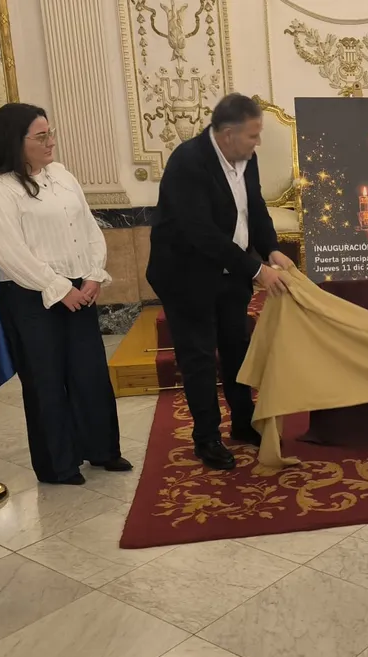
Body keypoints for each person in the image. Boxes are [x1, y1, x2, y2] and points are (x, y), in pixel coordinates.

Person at [0, 103, 130, 485]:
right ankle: (58, 464)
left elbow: (88, 228)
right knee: (46, 381)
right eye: (41, 136)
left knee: (90, 373)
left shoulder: (60, 174)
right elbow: (9, 253)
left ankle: (102, 449)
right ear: (15, 141)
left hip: (79, 287)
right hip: (29, 295)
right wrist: (57, 288)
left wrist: (93, 274)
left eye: (50, 133)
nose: (51, 142)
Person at [146, 93, 294, 472]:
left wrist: (271, 250)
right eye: (253, 135)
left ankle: (243, 422)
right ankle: (207, 438)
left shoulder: (247, 159)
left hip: (229, 273)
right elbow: (202, 234)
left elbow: (254, 207)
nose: (258, 142)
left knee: (236, 348)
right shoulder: (188, 162)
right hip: (186, 275)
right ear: (228, 135)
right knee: (198, 356)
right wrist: (256, 270)